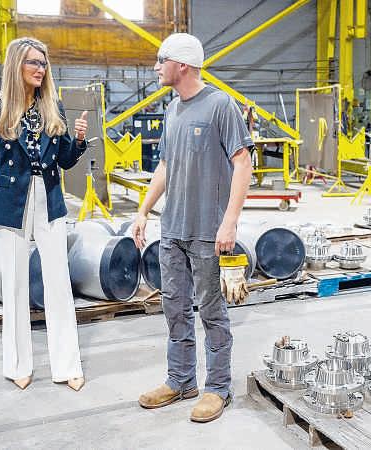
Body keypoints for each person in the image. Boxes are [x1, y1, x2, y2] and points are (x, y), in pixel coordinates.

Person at [131, 33, 253, 423]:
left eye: (161, 60)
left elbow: (243, 163)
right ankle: (181, 380)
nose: (156, 67)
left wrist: (229, 221)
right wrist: (143, 211)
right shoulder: (172, 110)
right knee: (175, 309)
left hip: (207, 232)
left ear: (181, 64)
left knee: (212, 313)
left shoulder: (220, 105)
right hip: (173, 230)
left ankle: (218, 387)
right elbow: (165, 166)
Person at [0, 37, 88, 391]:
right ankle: (18, 365)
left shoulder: (54, 106)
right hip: (10, 202)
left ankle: (67, 366)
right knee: (14, 286)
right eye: (33, 62)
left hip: (50, 199)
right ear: (16, 66)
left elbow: (64, 160)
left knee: (59, 284)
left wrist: (79, 142)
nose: (41, 69)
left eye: (43, 63)